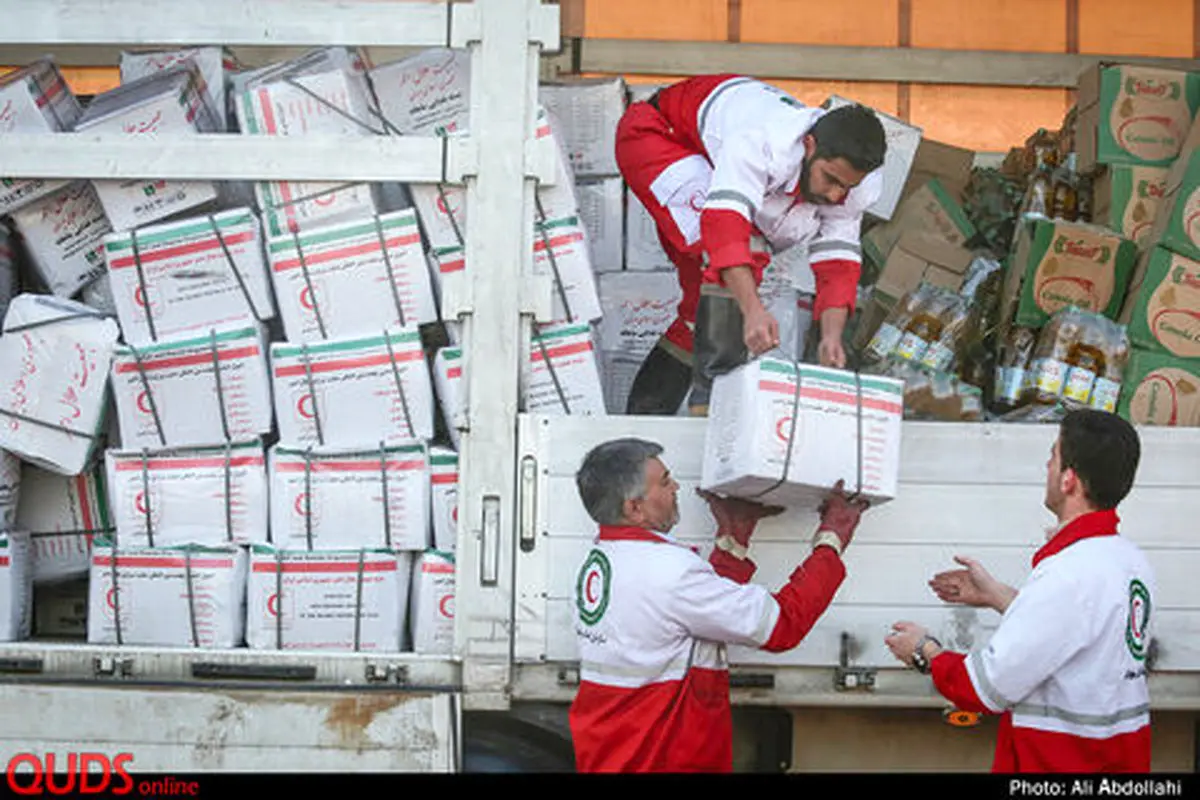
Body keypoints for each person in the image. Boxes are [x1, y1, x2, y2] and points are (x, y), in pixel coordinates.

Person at [568, 437, 870, 772]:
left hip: (619, 756)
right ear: (634, 508)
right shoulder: (668, 571)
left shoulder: (601, 560)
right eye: (665, 481)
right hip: (663, 760)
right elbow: (781, 626)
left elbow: (697, 611)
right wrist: (831, 540)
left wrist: (733, 540)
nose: (676, 486)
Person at [884, 409, 1155, 773]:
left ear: (1068, 481)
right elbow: (1077, 632)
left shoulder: (1069, 571)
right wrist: (994, 594)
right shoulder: (1128, 560)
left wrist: (923, 651)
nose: (1046, 468)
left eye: (1052, 458)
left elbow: (986, 688)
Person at [616, 74, 887, 417]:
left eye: (846, 187)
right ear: (809, 145)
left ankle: (645, 417)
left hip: (708, 153)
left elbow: (838, 263)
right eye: (830, 180)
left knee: (703, 304)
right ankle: (713, 400)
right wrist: (752, 310)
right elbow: (726, 231)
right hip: (658, 135)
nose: (835, 195)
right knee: (741, 251)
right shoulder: (761, 141)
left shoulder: (855, 183)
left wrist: (831, 337)